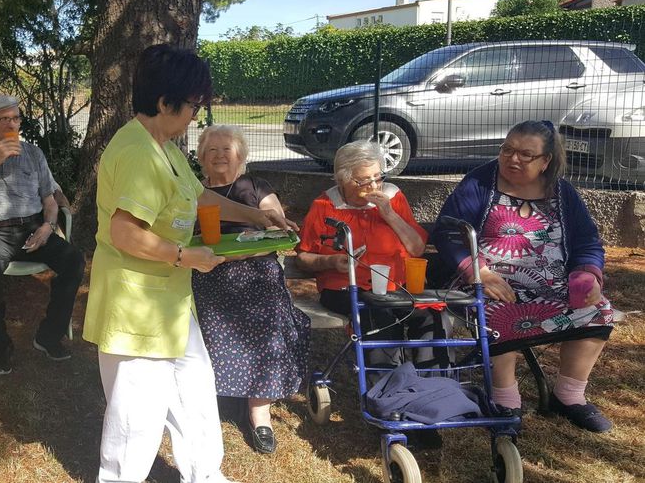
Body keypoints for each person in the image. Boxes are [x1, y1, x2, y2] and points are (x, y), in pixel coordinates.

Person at [83, 44, 297, 483]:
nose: (196, 117)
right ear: (165, 104)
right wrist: (188, 256)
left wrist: (256, 214)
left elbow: (197, 196)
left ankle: (205, 474)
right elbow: (125, 232)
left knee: (194, 393)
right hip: (137, 305)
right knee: (135, 416)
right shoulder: (139, 154)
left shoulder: (163, 145)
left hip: (171, 302)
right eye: (194, 107)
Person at [431, 120, 615, 432]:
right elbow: (447, 231)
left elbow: (586, 240)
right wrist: (479, 272)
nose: (512, 159)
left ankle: (569, 396)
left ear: (546, 161)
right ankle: (504, 398)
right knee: (502, 314)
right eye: (508, 150)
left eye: (525, 155)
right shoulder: (480, 183)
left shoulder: (562, 193)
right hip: (483, 284)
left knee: (598, 311)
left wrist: (587, 276)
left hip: (552, 288)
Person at [191, 125, 310, 455]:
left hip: (256, 270)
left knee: (265, 315)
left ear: (240, 155)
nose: (218, 155)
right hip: (207, 273)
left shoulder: (256, 186)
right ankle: (212, 399)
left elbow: (280, 234)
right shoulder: (193, 192)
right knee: (201, 324)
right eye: (211, 150)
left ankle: (259, 413)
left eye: (226, 149)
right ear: (201, 156)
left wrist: (239, 254)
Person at [0, 94, 85, 375]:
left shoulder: (34, 153)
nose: (13, 124)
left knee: (73, 260)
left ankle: (48, 337)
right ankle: (0, 347)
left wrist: (47, 226)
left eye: (16, 118)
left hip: (33, 228)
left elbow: (50, 201)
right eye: (5, 119)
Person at [296, 140, 430, 370]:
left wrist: (389, 214)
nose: (374, 186)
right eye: (364, 180)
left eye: (378, 177)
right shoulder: (325, 205)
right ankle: (388, 392)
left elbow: (417, 248)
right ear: (343, 180)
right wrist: (329, 261)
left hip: (397, 287)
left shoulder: (393, 197)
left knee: (432, 317)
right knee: (378, 315)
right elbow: (303, 257)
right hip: (345, 289)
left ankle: (434, 387)